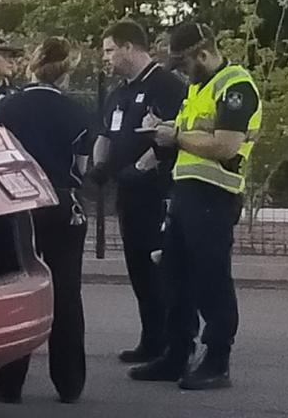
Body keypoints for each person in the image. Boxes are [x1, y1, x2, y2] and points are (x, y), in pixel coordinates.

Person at [129, 22, 262, 390]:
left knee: (210, 278)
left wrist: (176, 136)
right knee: (175, 275)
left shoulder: (235, 86)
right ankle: (176, 354)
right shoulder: (199, 88)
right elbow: (193, 135)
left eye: (183, 63)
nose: (180, 71)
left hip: (214, 195)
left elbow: (225, 146)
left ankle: (217, 360)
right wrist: (168, 129)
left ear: (203, 54)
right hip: (187, 194)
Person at [0, 37, 90, 404]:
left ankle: (8, 384)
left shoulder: (10, 106)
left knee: (19, 288)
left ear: (34, 65)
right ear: (67, 71)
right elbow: (82, 167)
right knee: (66, 293)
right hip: (63, 206)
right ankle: (69, 383)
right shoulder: (77, 112)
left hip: (19, 204)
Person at [90, 20, 187, 364]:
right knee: (138, 270)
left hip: (157, 193)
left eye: (110, 50)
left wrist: (141, 168)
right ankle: (151, 338)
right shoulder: (120, 92)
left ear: (130, 47)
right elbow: (105, 133)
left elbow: (169, 134)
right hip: (128, 195)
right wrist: (98, 168)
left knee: (159, 267)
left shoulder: (166, 86)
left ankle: (172, 342)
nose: (107, 58)